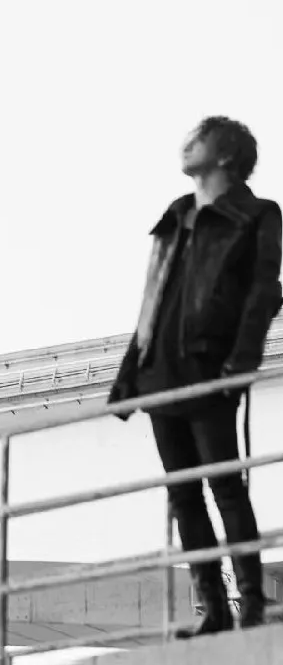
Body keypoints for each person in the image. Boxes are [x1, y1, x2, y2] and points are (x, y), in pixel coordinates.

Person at [108, 116, 282, 636]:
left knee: (226, 488)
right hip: (161, 372)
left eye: (197, 138)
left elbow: (262, 292)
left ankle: (252, 604)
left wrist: (239, 365)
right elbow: (152, 303)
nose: (186, 145)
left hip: (210, 369)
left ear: (225, 156)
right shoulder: (177, 215)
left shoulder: (256, 215)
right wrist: (127, 376)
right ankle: (213, 610)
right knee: (184, 496)